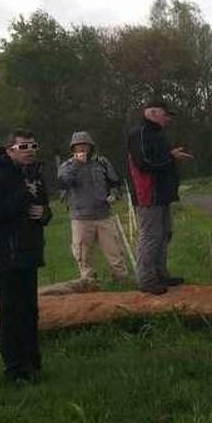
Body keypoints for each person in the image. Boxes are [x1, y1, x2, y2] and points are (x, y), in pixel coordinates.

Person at [0, 130, 52, 383]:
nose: (30, 150)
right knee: (10, 313)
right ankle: (15, 370)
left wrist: (43, 213)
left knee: (30, 310)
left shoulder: (35, 175)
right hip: (3, 255)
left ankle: (33, 363)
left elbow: (44, 209)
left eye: (33, 145)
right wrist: (22, 197)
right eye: (23, 146)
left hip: (28, 252)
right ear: (9, 150)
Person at [127, 100, 192, 295]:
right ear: (152, 112)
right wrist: (171, 158)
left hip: (162, 194)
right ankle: (145, 279)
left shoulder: (157, 134)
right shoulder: (139, 133)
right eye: (166, 114)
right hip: (148, 194)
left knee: (164, 234)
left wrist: (171, 154)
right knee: (151, 235)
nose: (168, 119)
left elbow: (158, 158)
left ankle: (160, 274)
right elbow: (144, 162)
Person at [57, 131, 130, 284]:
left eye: (85, 145)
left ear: (91, 147)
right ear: (73, 149)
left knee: (115, 251)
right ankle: (88, 281)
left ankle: (121, 279)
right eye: (78, 147)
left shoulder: (102, 163)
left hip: (104, 215)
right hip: (80, 217)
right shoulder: (67, 166)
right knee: (83, 254)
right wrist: (77, 164)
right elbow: (63, 182)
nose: (82, 149)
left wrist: (114, 195)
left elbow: (115, 182)